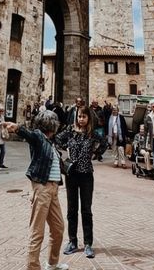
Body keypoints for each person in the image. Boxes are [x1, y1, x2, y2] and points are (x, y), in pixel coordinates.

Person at [4, 110, 68, 270]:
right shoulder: (39, 137)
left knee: (58, 228)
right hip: (42, 188)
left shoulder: (49, 142)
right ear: (51, 125)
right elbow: (30, 135)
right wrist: (17, 128)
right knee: (37, 231)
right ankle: (33, 267)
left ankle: (52, 263)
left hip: (53, 190)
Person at [55, 106, 106, 259]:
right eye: (79, 116)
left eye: (84, 116)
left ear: (89, 118)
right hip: (71, 174)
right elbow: (57, 139)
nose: (81, 119)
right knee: (72, 210)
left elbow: (104, 144)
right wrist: (65, 151)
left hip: (86, 176)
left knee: (86, 210)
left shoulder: (93, 134)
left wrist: (95, 154)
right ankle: (72, 241)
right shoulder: (70, 131)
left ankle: (88, 243)